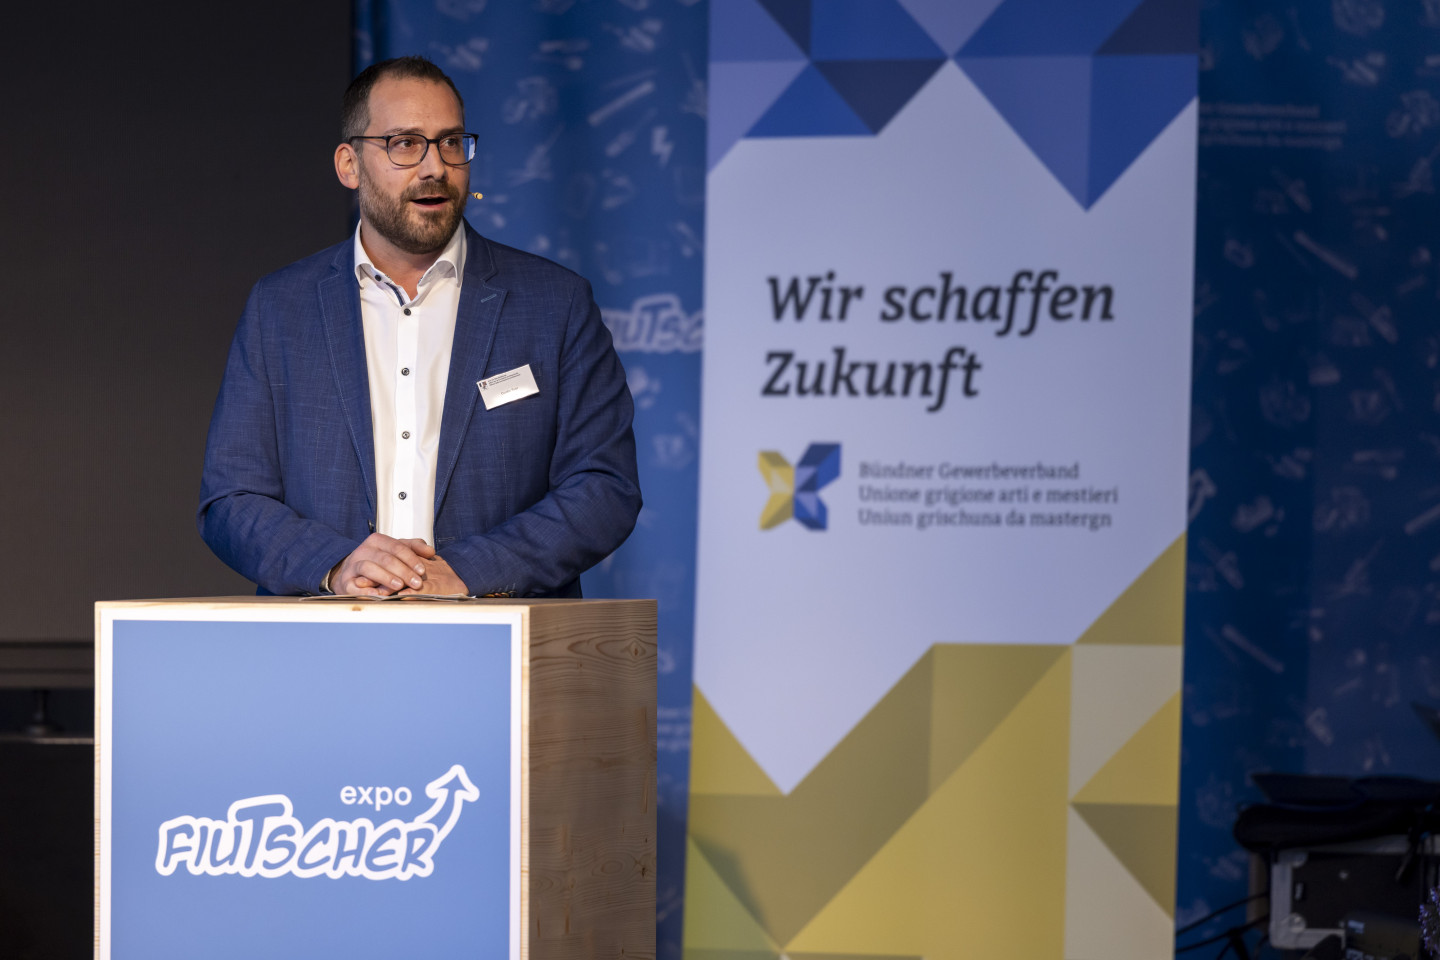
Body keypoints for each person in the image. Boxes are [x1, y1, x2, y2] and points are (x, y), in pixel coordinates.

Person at [198, 56, 640, 597]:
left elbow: (604, 485)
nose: (435, 167)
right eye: (405, 143)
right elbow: (231, 499)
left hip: (495, 635)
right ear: (349, 165)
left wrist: (471, 571)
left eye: (450, 143)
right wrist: (337, 565)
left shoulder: (555, 303)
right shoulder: (280, 308)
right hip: (327, 634)